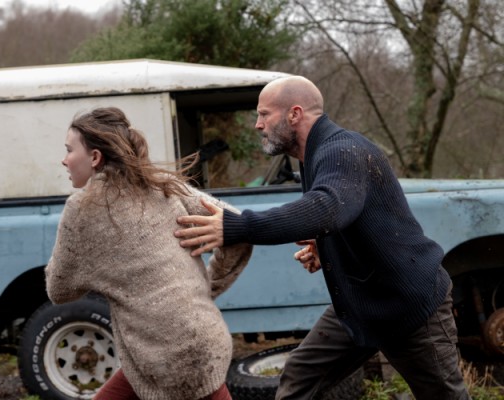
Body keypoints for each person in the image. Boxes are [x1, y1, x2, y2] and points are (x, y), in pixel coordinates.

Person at [174, 76, 470, 400]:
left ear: (294, 114)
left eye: (264, 114)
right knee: (299, 376)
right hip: (362, 303)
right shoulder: (314, 156)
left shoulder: (341, 151)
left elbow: (327, 208)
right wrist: (327, 247)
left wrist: (237, 226)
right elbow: (351, 214)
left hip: (408, 304)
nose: (258, 125)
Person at [45, 107, 253, 400]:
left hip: (166, 355)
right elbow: (238, 228)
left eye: (69, 150)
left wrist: (83, 265)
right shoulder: (164, 187)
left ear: (95, 157)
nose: (64, 160)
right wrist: (204, 290)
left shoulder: (81, 209)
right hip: (191, 341)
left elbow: (59, 290)